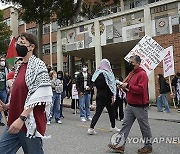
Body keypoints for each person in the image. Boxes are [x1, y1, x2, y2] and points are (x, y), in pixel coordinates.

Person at [0, 32, 52, 154]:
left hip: (29, 124)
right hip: (13, 122)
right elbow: (20, 93)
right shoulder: (19, 67)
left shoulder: (39, 66)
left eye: (22, 42)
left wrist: (22, 118)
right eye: (17, 42)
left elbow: (39, 95)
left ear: (31, 47)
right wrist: (8, 106)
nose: (18, 45)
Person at [108, 55, 152, 154]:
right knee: (125, 125)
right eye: (129, 62)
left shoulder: (142, 74)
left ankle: (148, 146)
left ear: (138, 63)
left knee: (144, 127)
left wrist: (127, 86)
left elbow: (141, 89)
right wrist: (122, 86)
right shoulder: (132, 73)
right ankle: (120, 145)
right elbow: (127, 85)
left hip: (140, 105)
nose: (130, 64)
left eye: (132, 62)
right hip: (130, 104)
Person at [87, 59, 120, 135]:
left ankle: (91, 128)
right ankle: (113, 126)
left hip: (99, 95)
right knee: (111, 111)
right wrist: (112, 95)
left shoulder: (97, 73)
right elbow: (109, 86)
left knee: (97, 112)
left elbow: (93, 83)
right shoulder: (107, 74)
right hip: (107, 95)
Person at [0, 56, 9, 126]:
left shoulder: (6, 70)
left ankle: (0, 120)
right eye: (1, 60)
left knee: (2, 105)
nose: (2, 62)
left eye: (4, 61)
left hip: (4, 90)